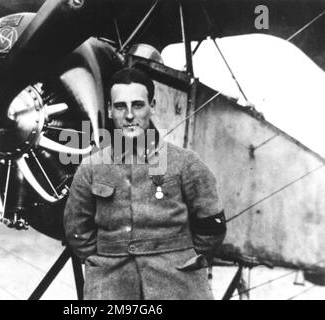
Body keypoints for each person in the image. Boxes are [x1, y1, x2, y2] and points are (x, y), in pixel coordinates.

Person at [63, 67, 226, 300]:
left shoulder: (186, 163)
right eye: (120, 106)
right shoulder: (90, 168)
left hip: (178, 286)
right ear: (109, 111)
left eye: (138, 105)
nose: (129, 115)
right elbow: (77, 231)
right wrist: (104, 263)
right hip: (112, 287)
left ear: (153, 106)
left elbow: (212, 226)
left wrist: (183, 261)